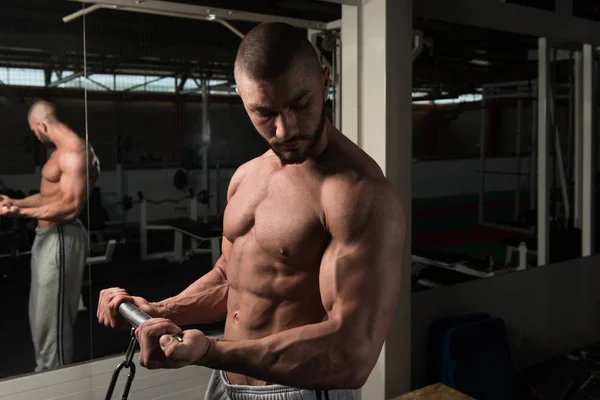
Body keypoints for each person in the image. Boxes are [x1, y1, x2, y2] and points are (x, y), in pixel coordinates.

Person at [97, 22, 405, 400]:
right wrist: (163, 308)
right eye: (264, 112)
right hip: (226, 383)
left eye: (300, 104)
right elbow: (232, 279)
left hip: (298, 392)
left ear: (326, 82)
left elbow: (353, 353)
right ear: (241, 98)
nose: (284, 128)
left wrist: (212, 350)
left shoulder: (357, 194)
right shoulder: (247, 176)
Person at [0, 100, 100, 372]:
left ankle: (55, 380)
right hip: (47, 238)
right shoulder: (61, 153)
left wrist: (19, 214)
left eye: (34, 131)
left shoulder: (75, 151)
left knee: (53, 322)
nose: (36, 136)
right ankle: (45, 372)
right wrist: (16, 204)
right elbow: (48, 197)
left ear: (42, 125)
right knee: (41, 317)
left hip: (61, 238)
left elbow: (69, 208)